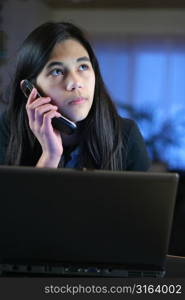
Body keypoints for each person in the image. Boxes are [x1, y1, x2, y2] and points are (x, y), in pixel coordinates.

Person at [0, 21, 150, 170]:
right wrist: (50, 156)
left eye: (83, 67)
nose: (75, 83)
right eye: (57, 71)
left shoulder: (126, 136)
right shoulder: (7, 130)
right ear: (30, 88)